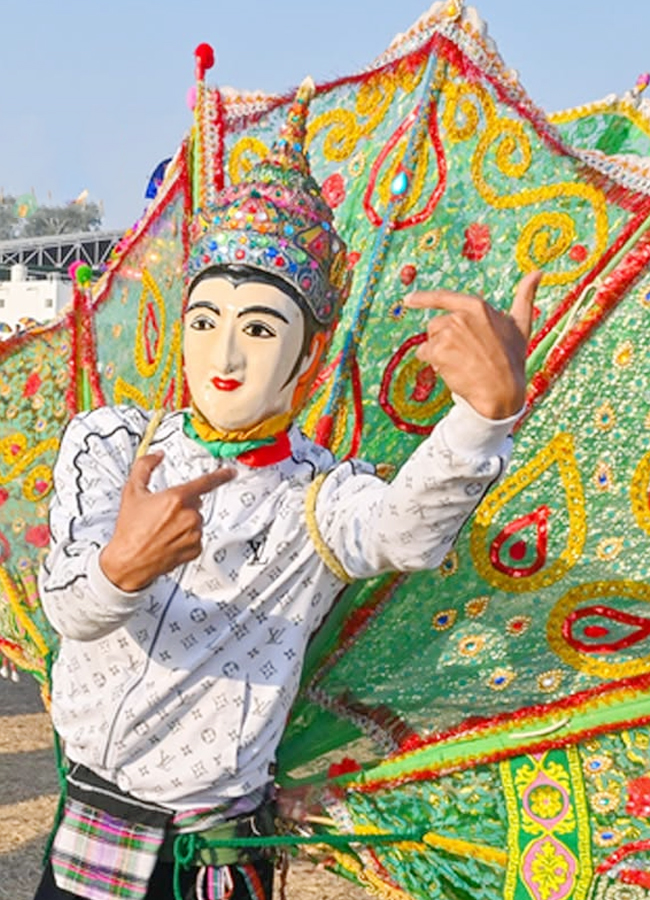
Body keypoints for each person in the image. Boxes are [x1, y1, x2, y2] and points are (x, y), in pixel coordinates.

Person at [35, 76, 540, 900]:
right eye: (206, 321)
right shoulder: (112, 441)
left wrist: (482, 418)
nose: (224, 358)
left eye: (260, 329)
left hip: (216, 862)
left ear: (308, 358)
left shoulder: (316, 496)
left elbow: (405, 533)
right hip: (86, 846)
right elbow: (74, 609)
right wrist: (121, 566)